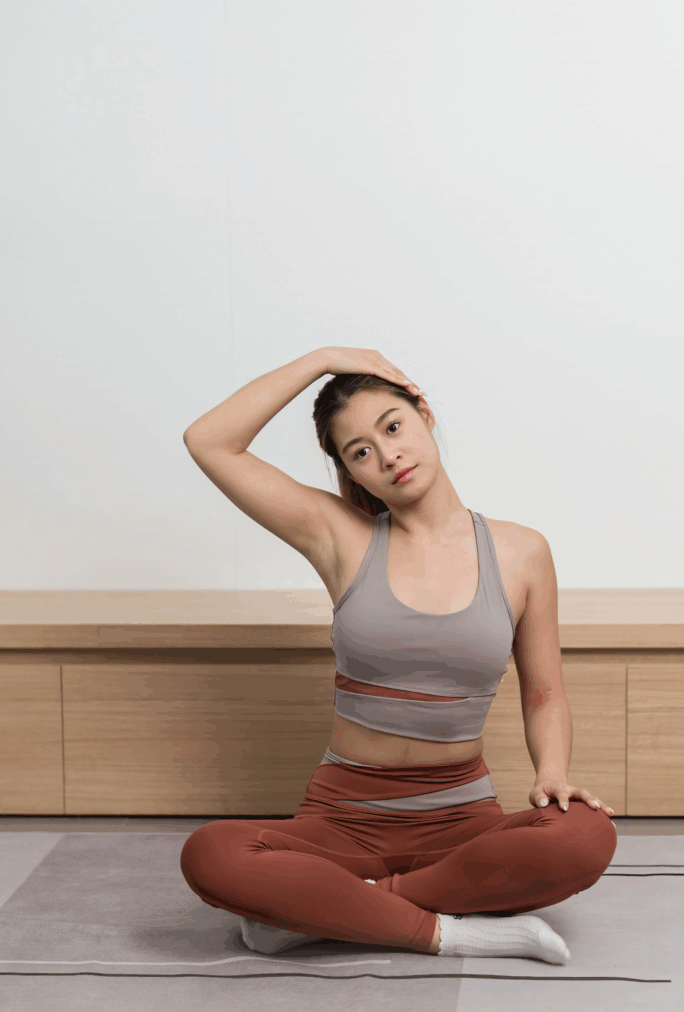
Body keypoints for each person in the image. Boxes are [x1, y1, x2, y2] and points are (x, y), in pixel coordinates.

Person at [178, 347, 617, 962]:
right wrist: (323, 358)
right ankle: (452, 931)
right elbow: (209, 441)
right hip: (340, 820)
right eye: (360, 451)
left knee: (585, 835)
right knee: (210, 854)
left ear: (424, 415)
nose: (388, 455)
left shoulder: (521, 552)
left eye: (392, 426)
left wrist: (551, 775)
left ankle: (337, 910)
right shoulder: (340, 535)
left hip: (462, 823)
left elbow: (544, 692)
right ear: (351, 474)